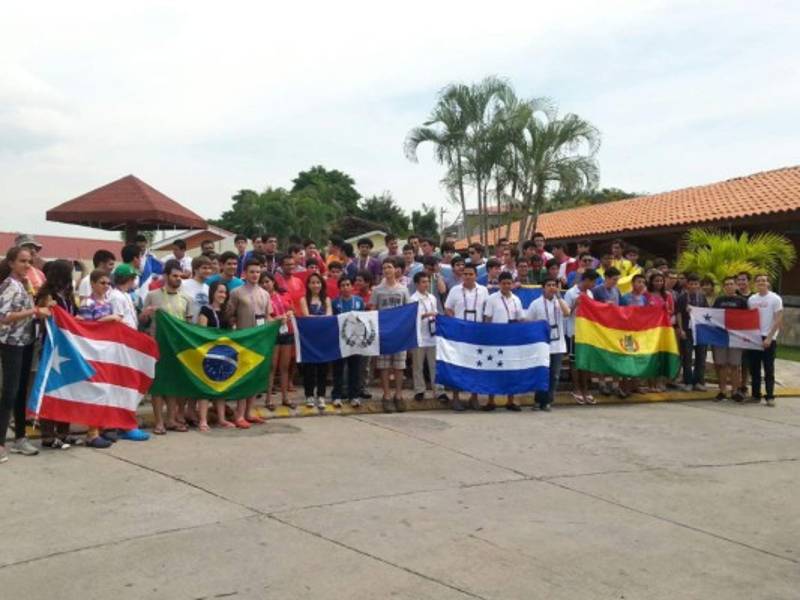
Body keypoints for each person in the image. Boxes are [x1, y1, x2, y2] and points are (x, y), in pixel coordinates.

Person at [0, 247, 50, 462]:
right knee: (10, 392)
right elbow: (4, 316)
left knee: (21, 392)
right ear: (11, 263)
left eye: (29, 261)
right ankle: (1, 442)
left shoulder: (25, 284)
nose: (27, 265)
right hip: (12, 343)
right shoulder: (10, 286)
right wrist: (35, 312)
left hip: (26, 341)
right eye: (22, 261)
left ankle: (20, 437)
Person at [141, 259, 193, 434]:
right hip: (157, 345)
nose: (178, 279)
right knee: (158, 385)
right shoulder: (152, 295)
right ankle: (159, 422)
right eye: (175, 276)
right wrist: (146, 314)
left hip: (177, 348)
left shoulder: (187, 298)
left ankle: (171, 420)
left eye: (180, 276)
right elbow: (142, 321)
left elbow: (188, 324)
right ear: (166, 276)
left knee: (174, 384)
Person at [35, 260, 76, 450]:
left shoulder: (67, 295)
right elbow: (43, 319)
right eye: (70, 273)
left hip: (68, 348)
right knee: (51, 389)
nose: (72, 276)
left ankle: (64, 432)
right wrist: (49, 307)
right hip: (51, 349)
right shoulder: (47, 295)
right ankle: (48, 433)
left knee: (67, 389)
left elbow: (74, 318)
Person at [227, 259, 271, 424]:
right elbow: (229, 315)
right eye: (252, 272)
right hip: (243, 340)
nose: (255, 275)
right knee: (243, 378)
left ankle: (249, 412)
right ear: (245, 273)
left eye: (258, 272)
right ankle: (239, 414)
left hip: (260, 341)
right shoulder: (236, 292)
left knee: (255, 377)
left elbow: (268, 317)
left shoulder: (265, 294)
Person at [444, 263, 489, 411]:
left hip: (477, 334)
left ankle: (474, 397)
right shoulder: (455, 290)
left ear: (476, 275)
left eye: (471, 274)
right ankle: (456, 398)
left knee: (476, 366)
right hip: (459, 334)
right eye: (465, 274)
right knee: (458, 366)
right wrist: (457, 323)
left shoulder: (483, 290)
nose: (468, 277)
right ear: (462, 275)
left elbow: (486, 311)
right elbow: (448, 309)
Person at [372, 258, 411, 412]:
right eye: (385, 267)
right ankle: (387, 395)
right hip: (384, 332)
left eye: (390, 267)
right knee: (384, 366)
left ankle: (399, 395)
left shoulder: (403, 289)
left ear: (396, 269)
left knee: (399, 365)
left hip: (399, 333)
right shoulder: (377, 290)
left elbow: (408, 310)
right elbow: (373, 309)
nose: (387, 270)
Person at [196, 281, 236, 430]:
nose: (222, 295)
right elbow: (201, 331)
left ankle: (221, 419)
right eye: (220, 292)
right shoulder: (205, 310)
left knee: (221, 387)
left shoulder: (226, 312)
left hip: (223, 354)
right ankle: (203, 420)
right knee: (205, 387)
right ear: (212, 292)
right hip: (208, 354)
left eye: (225, 293)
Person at [526, 277, 570, 411]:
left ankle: (548, 401)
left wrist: (559, 297)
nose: (552, 287)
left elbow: (567, 313)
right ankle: (538, 400)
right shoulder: (536, 303)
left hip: (558, 344)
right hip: (542, 344)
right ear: (543, 288)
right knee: (541, 373)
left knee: (555, 374)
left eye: (554, 285)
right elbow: (529, 322)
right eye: (549, 285)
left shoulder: (560, 302)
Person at [483, 272, 524, 411]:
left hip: (511, 340)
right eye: (504, 283)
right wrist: (488, 337)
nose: (506, 286)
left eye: (509, 283)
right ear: (499, 284)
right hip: (496, 339)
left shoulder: (516, 299)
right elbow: (487, 319)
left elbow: (520, 320)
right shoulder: (491, 299)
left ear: (512, 284)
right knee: (493, 369)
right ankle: (490, 400)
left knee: (511, 370)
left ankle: (510, 400)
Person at [410, 272, 448, 405]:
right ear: (417, 284)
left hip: (432, 335)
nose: (426, 284)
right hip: (419, 336)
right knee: (418, 365)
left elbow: (436, 312)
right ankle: (419, 390)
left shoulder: (432, 297)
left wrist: (435, 316)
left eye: (427, 282)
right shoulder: (413, 299)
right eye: (423, 282)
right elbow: (412, 318)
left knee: (434, 365)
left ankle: (438, 390)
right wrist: (427, 314)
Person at [260, 272, 296, 410]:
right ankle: (268, 400)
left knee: (285, 367)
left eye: (267, 281)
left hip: (287, 332)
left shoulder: (284, 294)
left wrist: (289, 314)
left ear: (274, 282)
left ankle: (285, 398)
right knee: (271, 368)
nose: (265, 284)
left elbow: (292, 309)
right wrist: (277, 319)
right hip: (272, 334)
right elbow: (264, 317)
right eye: (262, 282)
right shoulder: (262, 297)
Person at [748, 274, 783, 406]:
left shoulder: (775, 298)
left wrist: (769, 337)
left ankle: (770, 396)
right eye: (758, 281)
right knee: (754, 368)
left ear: (768, 283)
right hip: (754, 337)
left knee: (769, 368)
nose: (761, 283)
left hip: (769, 337)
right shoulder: (752, 300)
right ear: (755, 283)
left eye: (764, 280)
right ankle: (755, 395)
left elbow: (779, 319)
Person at [711, 276, 748, 402]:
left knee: (735, 365)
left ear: (736, 286)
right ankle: (722, 391)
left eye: (731, 284)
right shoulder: (719, 300)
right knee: (721, 365)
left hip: (736, 338)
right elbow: (712, 317)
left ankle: (735, 391)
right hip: (721, 337)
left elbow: (747, 319)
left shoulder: (742, 301)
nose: (729, 286)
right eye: (726, 284)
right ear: (723, 287)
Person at [564, 269, 598, 404]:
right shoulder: (571, 293)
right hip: (574, 331)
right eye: (593, 282)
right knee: (574, 361)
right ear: (586, 280)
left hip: (586, 332)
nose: (594, 285)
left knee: (585, 361)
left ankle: (585, 389)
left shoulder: (590, 293)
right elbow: (566, 313)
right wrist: (574, 305)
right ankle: (576, 388)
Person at [331, 277, 366, 408]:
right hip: (340, 340)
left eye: (348, 284)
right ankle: (337, 396)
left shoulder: (359, 301)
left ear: (352, 287)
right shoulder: (335, 303)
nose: (345, 287)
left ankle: (354, 396)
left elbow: (364, 319)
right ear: (339, 288)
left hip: (355, 340)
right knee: (338, 369)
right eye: (343, 285)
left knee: (355, 369)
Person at [299, 272, 332, 409]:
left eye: (318, 282)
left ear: (322, 284)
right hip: (309, 339)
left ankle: (321, 395)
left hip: (323, 339)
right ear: (308, 285)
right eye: (312, 282)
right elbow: (306, 316)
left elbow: (330, 315)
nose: (315, 285)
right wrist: (320, 318)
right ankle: (309, 395)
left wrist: (318, 318)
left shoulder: (327, 299)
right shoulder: (303, 299)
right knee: (309, 369)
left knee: (323, 369)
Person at [676, 273, 709, 391]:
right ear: (687, 285)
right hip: (687, 331)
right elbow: (678, 314)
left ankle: (698, 381)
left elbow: (706, 313)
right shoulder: (682, 297)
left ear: (699, 285)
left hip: (700, 331)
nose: (694, 286)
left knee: (701, 356)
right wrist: (681, 329)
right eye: (691, 284)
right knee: (687, 357)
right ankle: (688, 381)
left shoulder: (702, 297)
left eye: (696, 284)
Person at [181, 255, 213, 322]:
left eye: (209, 268)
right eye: (204, 268)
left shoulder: (208, 288)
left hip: (201, 329)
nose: (208, 271)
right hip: (185, 326)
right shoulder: (183, 284)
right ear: (195, 269)